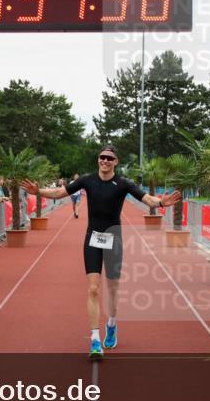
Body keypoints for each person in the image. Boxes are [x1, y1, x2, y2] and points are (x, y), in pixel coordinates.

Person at [21, 145, 180, 360]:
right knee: (94, 289)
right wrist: (38, 191)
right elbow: (60, 192)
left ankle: (112, 324)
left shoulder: (123, 183)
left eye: (109, 158)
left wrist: (161, 202)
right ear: (98, 160)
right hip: (92, 239)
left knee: (112, 288)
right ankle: (95, 339)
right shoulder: (87, 180)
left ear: (116, 162)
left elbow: (146, 199)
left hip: (114, 240)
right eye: (102, 157)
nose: (105, 160)